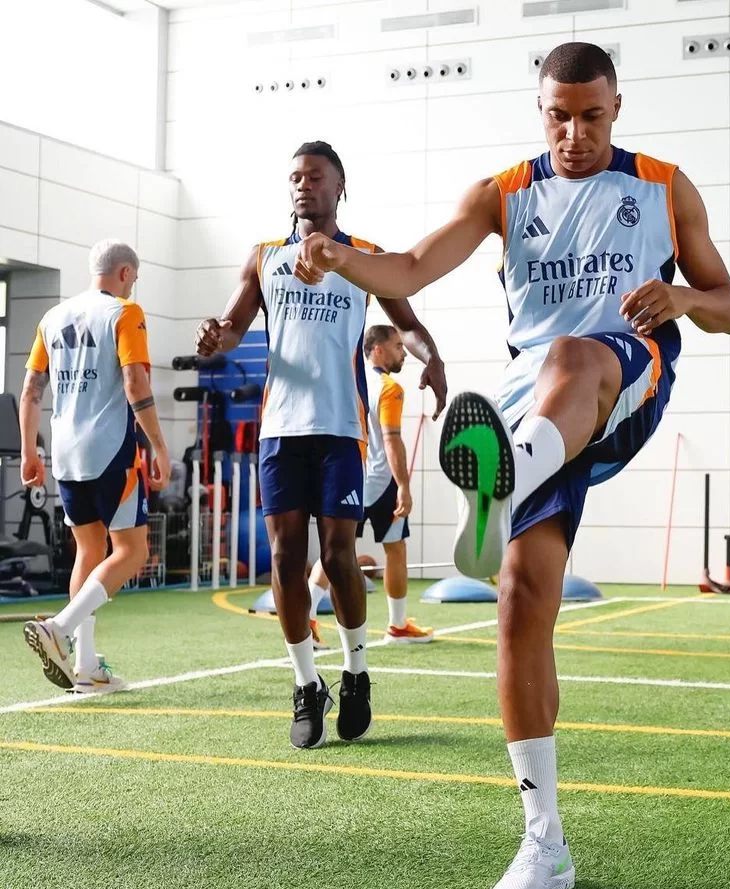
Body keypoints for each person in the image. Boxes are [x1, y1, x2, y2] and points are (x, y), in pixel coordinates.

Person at [293, 42, 730, 889]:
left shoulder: (663, 186)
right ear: (539, 109)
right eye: (558, 116)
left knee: (577, 351)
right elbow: (414, 267)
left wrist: (683, 299)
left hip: (622, 374)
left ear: (618, 106)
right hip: (529, 397)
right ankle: (546, 842)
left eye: (593, 116)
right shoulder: (503, 191)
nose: (574, 133)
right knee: (520, 601)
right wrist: (339, 257)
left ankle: (506, 474)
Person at [194, 141, 446, 750]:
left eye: (315, 177)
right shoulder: (265, 258)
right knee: (283, 558)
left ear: (340, 188)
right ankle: (307, 685)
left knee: (337, 555)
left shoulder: (362, 257)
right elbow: (231, 329)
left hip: (340, 428)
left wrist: (431, 357)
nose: (303, 186)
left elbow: (405, 323)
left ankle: (356, 673)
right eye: (295, 178)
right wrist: (214, 338)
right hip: (280, 430)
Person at [21, 240, 170, 693]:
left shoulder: (52, 318)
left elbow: (30, 391)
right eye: (135, 278)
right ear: (125, 273)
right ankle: (59, 629)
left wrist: (31, 451)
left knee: (90, 549)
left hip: (65, 453)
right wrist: (158, 444)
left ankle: (86, 667)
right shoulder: (125, 314)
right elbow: (133, 380)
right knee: (132, 551)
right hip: (109, 451)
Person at [307, 324, 433, 644]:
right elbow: (392, 441)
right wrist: (404, 485)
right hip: (378, 481)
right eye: (397, 346)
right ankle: (394, 624)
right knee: (375, 549)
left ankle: (396, 624)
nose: (403, 351)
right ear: (377, 350)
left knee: (361, 548)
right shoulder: (389, 388)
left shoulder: (349, 381)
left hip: (348, 475)